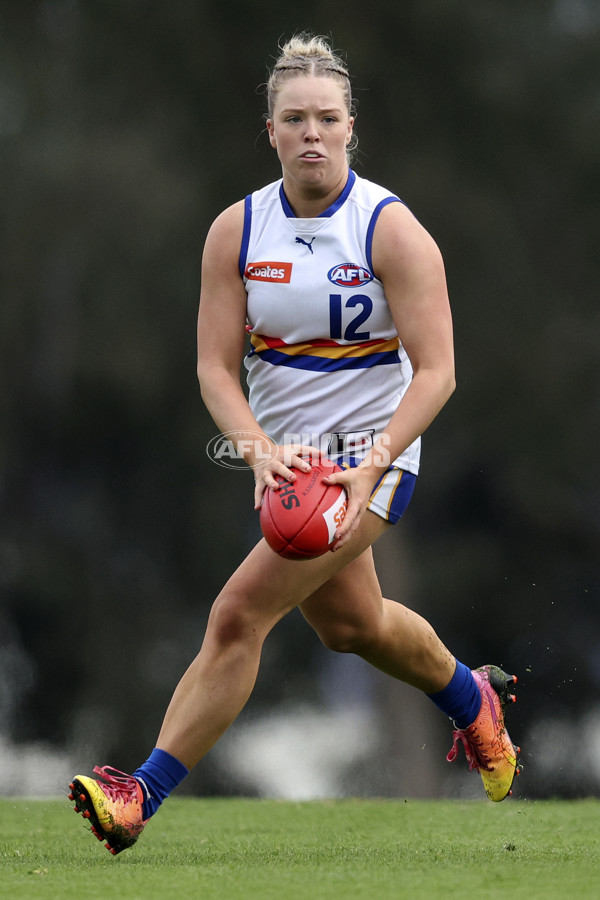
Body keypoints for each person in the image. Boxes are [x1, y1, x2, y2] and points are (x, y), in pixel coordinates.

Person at [68, 33, 521, 855]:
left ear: (352, 127)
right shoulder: (236, 232)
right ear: (270, 131)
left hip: (371, 460)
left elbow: (439, 373)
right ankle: (470, 697)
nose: (311, 133)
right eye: (294, 119)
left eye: (327, 118)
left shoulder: (391, 231)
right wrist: (255, 448)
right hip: (291, 466)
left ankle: (140, 791)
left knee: (238, 613)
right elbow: (212, 367)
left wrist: (371, 464)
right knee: (354, 627)